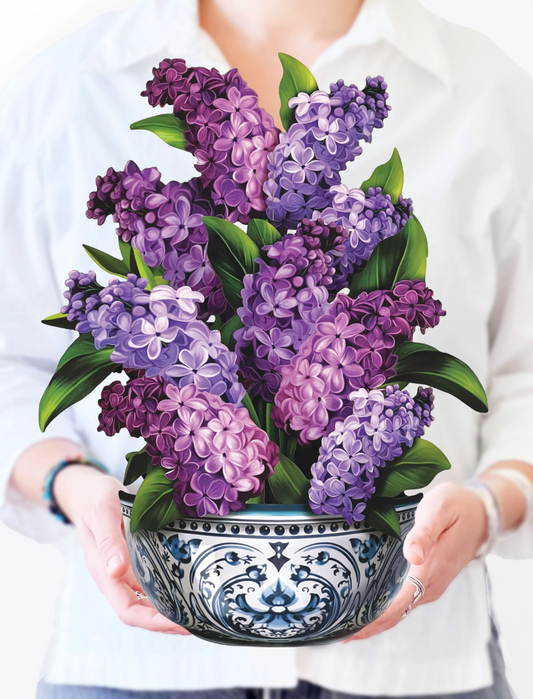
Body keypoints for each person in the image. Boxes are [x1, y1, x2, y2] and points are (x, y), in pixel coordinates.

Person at [1, 0, 533, 697]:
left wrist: (495, 503)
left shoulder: (481, 87)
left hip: (417, 667)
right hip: (133, 670)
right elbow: (9, 364)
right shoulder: (67, 84)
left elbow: (522, 374)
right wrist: (66, 484)